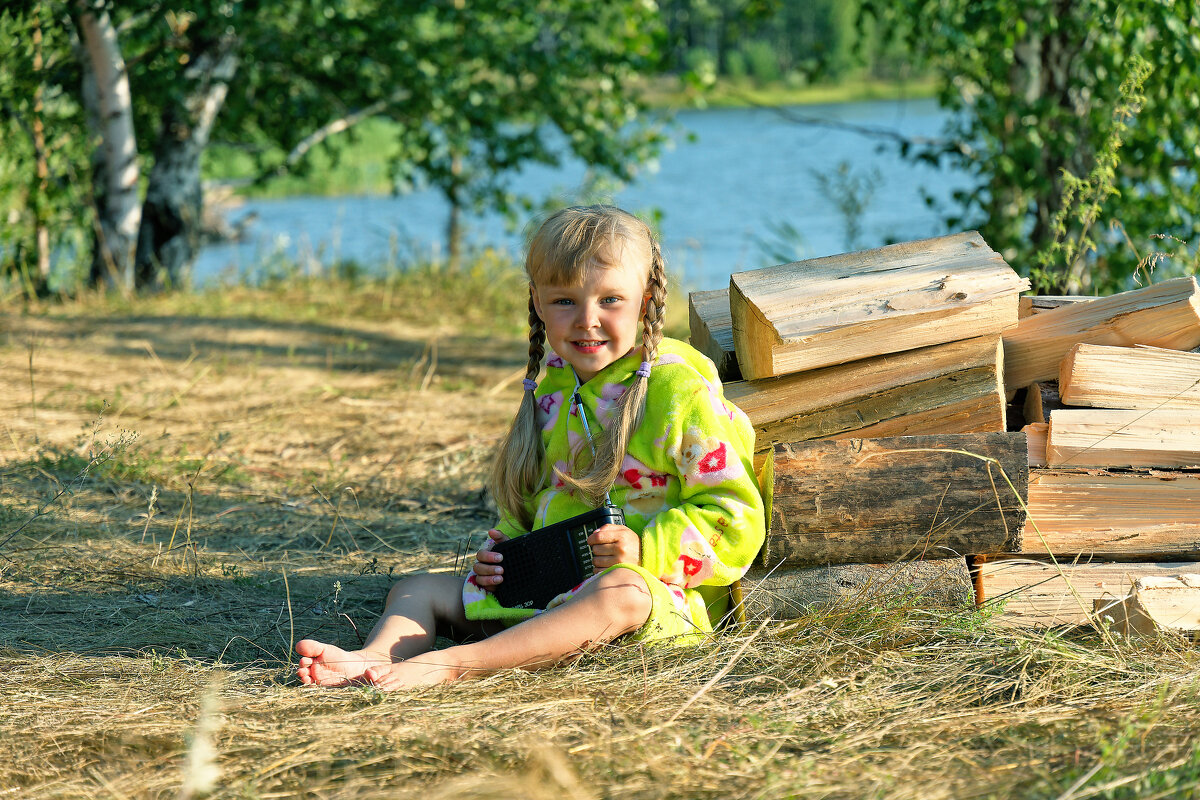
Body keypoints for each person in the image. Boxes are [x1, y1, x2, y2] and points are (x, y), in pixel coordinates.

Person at [296, 205, 765, 690]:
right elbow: (531, 502)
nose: (587, 320)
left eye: (611, 300)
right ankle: (374, 657)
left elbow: (735, 511)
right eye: (565, 301)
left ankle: (455, 663)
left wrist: (643, 549)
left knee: (620, 593)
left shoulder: (677, 392)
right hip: (551, 587)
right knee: (418, 589)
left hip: (653, 595)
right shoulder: (551, 394)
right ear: (538, 303)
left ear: (645, 303)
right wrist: (503, 553)